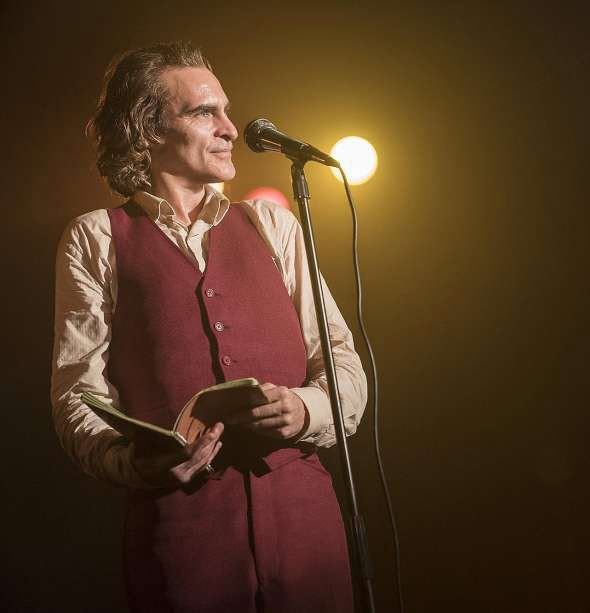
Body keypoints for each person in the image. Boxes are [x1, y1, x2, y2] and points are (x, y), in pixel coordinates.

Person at [50, 41, 367, 613]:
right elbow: (77, 393)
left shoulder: (273, 225)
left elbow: (343, 362)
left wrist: (305, 409)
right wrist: (131, 462)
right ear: (147, 129)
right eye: (204, 113)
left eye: (226, 110)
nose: (229, 128)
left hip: (307, 534)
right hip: (183, 543)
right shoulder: (96, 237)